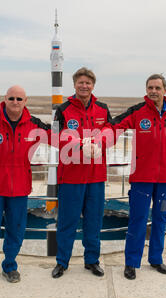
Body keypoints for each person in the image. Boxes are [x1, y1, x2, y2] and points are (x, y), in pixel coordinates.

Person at [107, 74, 166, 280]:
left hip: (165, 181)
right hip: (142, 179)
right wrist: (102, 139)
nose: (153, 91)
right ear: (146, 90)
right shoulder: (138, 111)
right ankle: (131, 263)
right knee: (138, 220)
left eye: (157, 87)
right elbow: (115, 125)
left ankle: (156, 259)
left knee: (160, 219)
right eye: (150, 87)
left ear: (165, 90)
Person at [0, 85, 51, 292]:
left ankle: (10, 266)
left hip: (19, 190)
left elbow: (57, 136)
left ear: (25, 101)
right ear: (5, 99)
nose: (15, 102)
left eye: (19, 99)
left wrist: (82, 142)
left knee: (15, 231)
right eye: (11, 98)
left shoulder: (34, 124)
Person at [51, 67, 113, 278]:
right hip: (71, 176)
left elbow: (110, 131)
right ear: (75, 84)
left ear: (93, 85)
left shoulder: (103, 109)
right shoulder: (63, 109)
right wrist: (77, 145)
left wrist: (99, 143)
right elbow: (56, 137)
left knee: (93, 221)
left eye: (88, 83)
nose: (84, 86)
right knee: (67, 221)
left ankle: (92, 261)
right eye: (80, 82)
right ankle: (62, 262)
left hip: (96, 176)